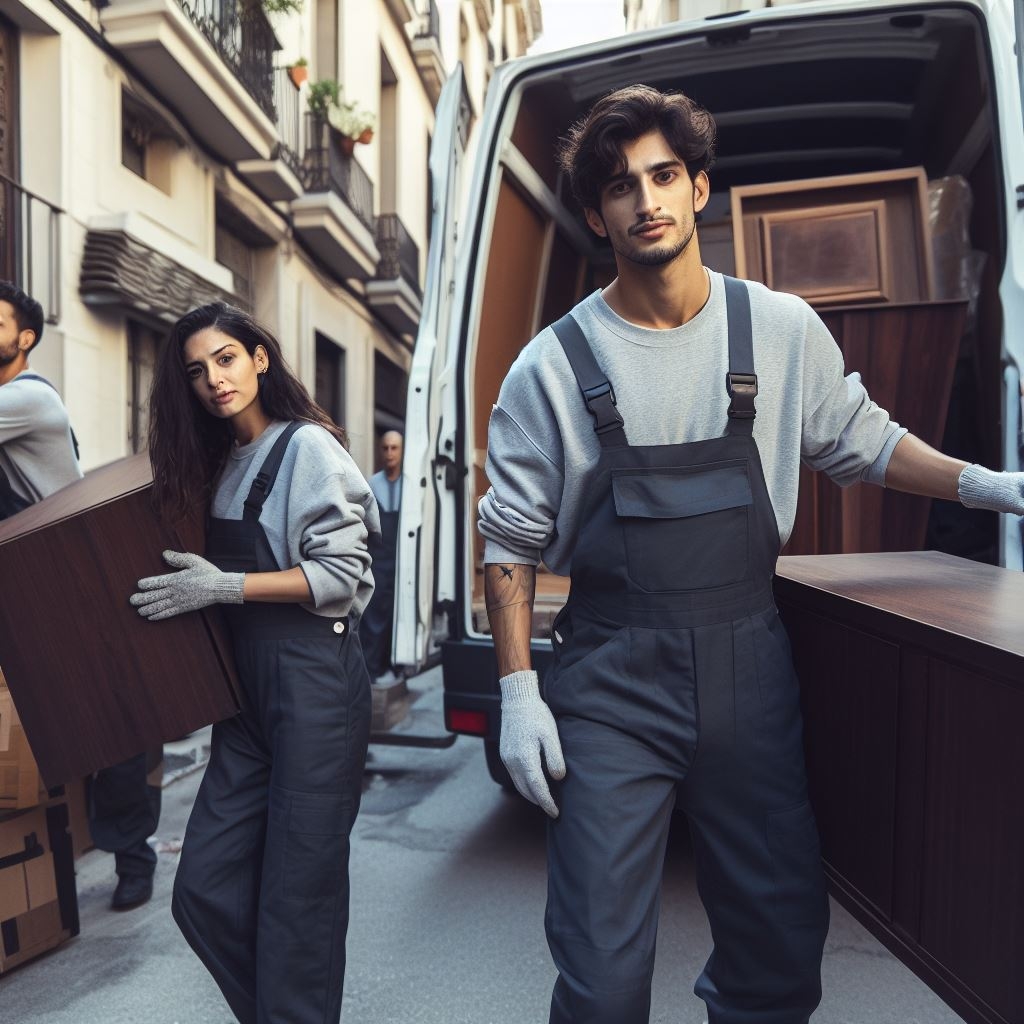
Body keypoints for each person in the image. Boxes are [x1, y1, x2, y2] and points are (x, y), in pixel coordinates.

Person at [477, 85, 1024, 1024]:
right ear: (598, 214)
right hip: (610, 679)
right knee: (601, 979)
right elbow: (511, 543)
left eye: (662, 176)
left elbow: (864, 440)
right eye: (619, 186)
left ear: (698, 188)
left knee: (776, 961)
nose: (645, 199)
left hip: (750, 666)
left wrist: (990, 485)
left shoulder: (777, 327)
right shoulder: (551, 365)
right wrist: (520, 690)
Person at [130, 302, 376, 1024]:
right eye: (197, 371)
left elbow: (345, 575)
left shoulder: (307, 448)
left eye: (227, 359)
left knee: (299, 902)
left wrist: (225, 585)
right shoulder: (218, 464)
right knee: (203, 888)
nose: (214, 380)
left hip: (314, 685)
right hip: (248, 700)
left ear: (260, 358)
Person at [0, 281, 160, 911]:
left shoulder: (27, 399)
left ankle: (133, 857)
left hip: (68, 580)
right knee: (52, 723)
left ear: (25, 338)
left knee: (110, 724)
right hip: (25, 579)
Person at [363, 429, 403, 684]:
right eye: (385, 448)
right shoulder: (370, 484)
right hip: (378, 561)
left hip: (402, 562)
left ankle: (395, 667)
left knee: (399, 615)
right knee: (373, 615)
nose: (389, 453)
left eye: (394, 448)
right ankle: (372, 669)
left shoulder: (412, 487)